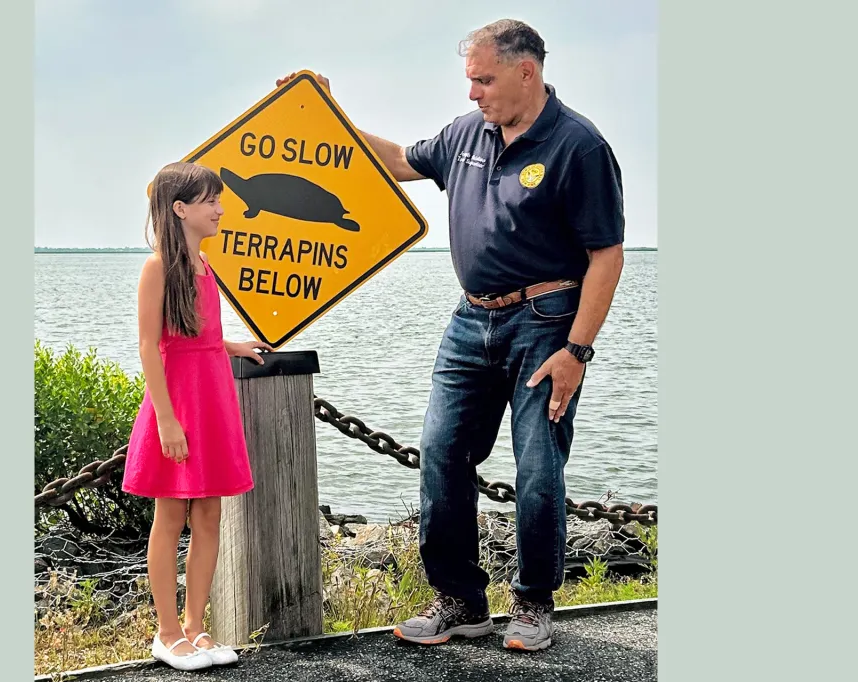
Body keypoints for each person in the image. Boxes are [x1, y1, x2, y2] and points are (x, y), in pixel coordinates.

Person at [277, 18, 625, 652]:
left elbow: (607, 255)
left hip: (547, 324)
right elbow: (396, 161)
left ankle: (533, 605)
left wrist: (576, 351)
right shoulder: (467, 134)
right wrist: (327, 113)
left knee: (539, 468)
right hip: (470, 320)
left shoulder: (580, 145)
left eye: (483, 80)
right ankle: (460, 602)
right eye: (469, 80)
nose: (473, 94)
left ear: (527, 72)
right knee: (440, 452)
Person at [121, 161, 273, 671]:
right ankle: (166, 633)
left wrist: (230, 346)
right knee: (171, 517)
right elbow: (149, 348)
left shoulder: (205, 267)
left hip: (212, 398)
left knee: (210, 515)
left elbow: (196, 336)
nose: (221, 209)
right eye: (211, 201)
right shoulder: (158, 267)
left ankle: (194, 627)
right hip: (178, 404)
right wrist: (166, 421)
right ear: (181, 208)